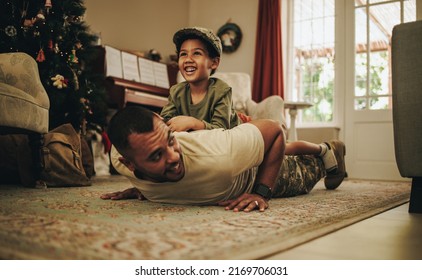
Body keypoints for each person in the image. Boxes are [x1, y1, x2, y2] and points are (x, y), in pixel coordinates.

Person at [100, 106, 346, 212]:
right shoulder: (120, 159)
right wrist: (142, 188)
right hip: (233, 153)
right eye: (156, 156)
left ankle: (329, 150)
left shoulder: (220, 155)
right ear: (130, 164)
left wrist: (261, 191)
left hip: (255, 172)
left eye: (171, 139)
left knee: (303, 170)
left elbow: (275, 130)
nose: (174, 156)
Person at [160, 27, 338, 172]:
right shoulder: (176, 91)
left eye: (196, 53)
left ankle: (322, 149)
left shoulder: (221, 90)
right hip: (206, 143)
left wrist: (192, 122)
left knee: (285, 147)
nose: (188, 59)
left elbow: (221, 129)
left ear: (213, 63)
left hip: (239, 128)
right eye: (183, 54)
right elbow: (164, 122)